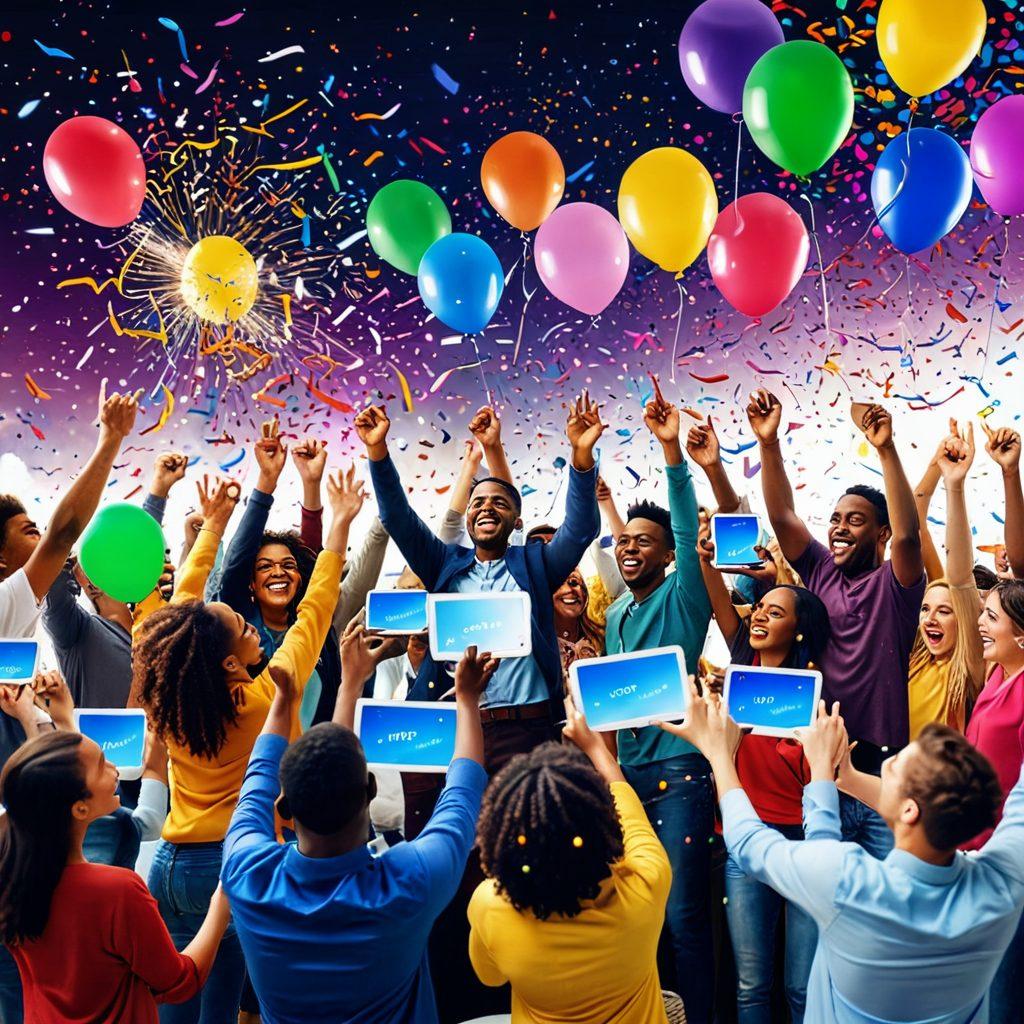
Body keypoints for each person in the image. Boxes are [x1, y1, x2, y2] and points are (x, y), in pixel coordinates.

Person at [133, 469, 362, 1024]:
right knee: (221, 1006)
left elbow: (181, 606)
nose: (250, 623)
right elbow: (315, 614)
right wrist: (338, 529)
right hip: (228, 869)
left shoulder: (170, 693)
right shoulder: (263, 701)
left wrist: (211, 528)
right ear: (231, 662)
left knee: (178, 1000)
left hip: (170, 865)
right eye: (241, 623)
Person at [663, 683, 1024, 1024]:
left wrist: (718, 754)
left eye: (898, 764)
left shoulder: (854, 886)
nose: (892, 762)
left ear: (911, 811)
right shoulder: (1002, 885)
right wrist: (844, 777)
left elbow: (748, 842)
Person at [220, 644, 493, 1024]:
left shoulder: (247, 873)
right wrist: (467, 698)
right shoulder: (409, 881)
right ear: (370, 791)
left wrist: (292, 698)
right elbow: (462, 792)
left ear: (285, 808)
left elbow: (258, 776)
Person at [356, 394, 601, 761]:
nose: (486, 506)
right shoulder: (442, 563)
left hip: (531, 731)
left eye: (499, 502)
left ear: (516, 520)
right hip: (461, 729)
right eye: (478, 503)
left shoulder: (536, 564)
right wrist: (377, 450)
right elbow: (397, 517)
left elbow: (581, 529)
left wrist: (581, 458)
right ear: (468, 518)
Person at [602, 383, 736, 1024]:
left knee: (685, 915)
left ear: (666, 555)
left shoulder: (684, 600)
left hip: (679, 776)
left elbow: (687, 528)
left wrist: (671, 453)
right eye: (624, 541)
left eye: (644, 542)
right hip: (626, 782)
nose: (630, 547)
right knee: (640, 916)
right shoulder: (618, 611)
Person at [747, 391, 925, 859]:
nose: (840, 528)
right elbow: (782, 516)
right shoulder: (821, 571)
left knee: (888, 905)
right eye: (835, 519)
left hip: (885, 769)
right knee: (833, 901)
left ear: (880, 533)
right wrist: (768, 444)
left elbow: (910, 534)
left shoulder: (898, 584)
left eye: (856, 521)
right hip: (825, 763)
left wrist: (886, 449)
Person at [696, 512, 830, 1024]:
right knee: (751, 985)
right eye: (758, 609)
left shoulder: (813, 696)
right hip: (742, 844)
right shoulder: (736, 667)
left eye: (774, 612)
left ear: (798, 631)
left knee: (800, 987)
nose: (759, 617)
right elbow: (717, 597)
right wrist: (708, 560)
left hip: (802, 846)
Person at [0, 729, 230, 1024]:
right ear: (80, 808)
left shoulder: (13, 879)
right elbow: (178, 982)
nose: (115, 769)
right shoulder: (117, 891)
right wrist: (221, 901)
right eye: (102, 765)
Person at [468, 701, 673, 1024]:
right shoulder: (647, 880)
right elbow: (624, 800)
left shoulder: (490, 904)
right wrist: (595, 747)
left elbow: (489, 976)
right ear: (603, 825)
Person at [208, 421, 351, 731]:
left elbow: (317, 569)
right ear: (250, 582)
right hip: (249, 762)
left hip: (308, 762)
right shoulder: (239, 626)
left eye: (288, 566)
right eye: (264, 567)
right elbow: (233, 567)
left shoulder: (312, 629)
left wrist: (311, 485)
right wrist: (266, 483)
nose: (278, 573)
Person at [42, 452, 186, 710]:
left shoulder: (157, 631)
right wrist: (75, 534)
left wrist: (159, 490)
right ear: (86, 581)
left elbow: (137, 544)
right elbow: (52, 576)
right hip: (106, 750)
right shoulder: (76, 631)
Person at [966, 576, 1024, 1019]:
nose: (980, 623)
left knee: (1002, 999)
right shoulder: (996, 675)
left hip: (1007, 867)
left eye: (991, 617)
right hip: (973, 856)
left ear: (1020, 634)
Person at [908, 423, 984, 738]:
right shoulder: (915, 658)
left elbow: (960, 576)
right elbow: (912, 527)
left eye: (944, 611)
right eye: (926, 609)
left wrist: (955, 484)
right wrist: (934, 467)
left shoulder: (970, 663)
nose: (930, 619)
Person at [553, 569, 605, 681]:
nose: (569, 590)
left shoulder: (604, 638)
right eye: (558, 583)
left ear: (586, 594)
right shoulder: (537, 645)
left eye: (574, 582)